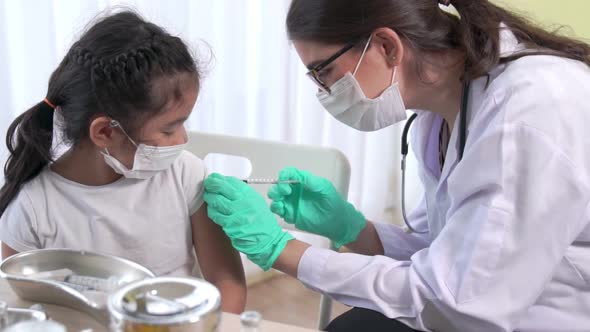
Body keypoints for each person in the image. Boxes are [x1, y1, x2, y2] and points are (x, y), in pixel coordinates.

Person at [203, 0, 590, 330]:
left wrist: (282, 251)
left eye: (324, 73)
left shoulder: (530, 112)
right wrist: (355, 230)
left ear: (387, 46)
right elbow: (444, 250)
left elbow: (458, 304)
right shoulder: (441, 109)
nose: (323, 92)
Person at [0, 11, 246, 313]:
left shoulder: (186, 175)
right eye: (169, 128)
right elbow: (20, 307)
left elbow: (228, 285)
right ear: (104, 131)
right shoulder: (33, 209)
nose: (182, 140)